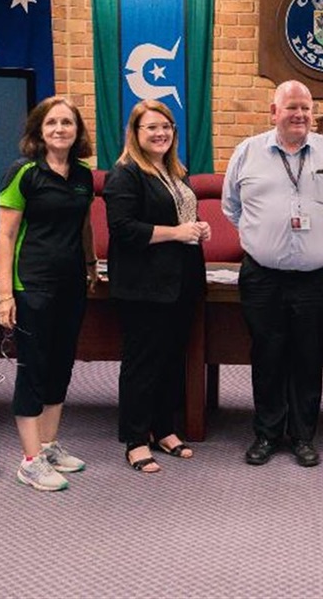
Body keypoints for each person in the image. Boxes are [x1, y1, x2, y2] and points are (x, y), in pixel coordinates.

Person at [222, 80, 323, 467]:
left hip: (317, 277)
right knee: (266, 354)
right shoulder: (247, 153)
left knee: (308, 356)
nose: (299, 114)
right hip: (263, 275)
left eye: (306, 108)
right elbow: (232, 207)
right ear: (273, 112)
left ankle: (302, 435)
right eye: (291, 107)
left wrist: (320, 235)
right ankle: (266, 434)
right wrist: (265, 236)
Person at [0, 95, 99, 492]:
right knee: (33, 368)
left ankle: (50, 444)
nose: (60, 129)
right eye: (52, 123)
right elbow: (5, 236)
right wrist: (5, 295)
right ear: (40, 130)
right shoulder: (23, 173)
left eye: (67, 123)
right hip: (31, 284)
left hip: (72, 283)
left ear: (77, 132)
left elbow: (85, 225)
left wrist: (90, 265)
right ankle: (29, 459)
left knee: (61, 365)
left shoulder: (83, 175)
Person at [104, 99, 209, 474]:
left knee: (170, 360)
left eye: (166, 127)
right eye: (151, 127)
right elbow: (124, 230)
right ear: (135, 133)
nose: (160, 133)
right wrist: (178, 232)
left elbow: (183, 218)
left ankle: (163, 428)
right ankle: (134, 439)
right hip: (143, 286)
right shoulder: (126, 174)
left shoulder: (174, 171)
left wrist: (197, 228)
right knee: (142, 363)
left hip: (180, 282)